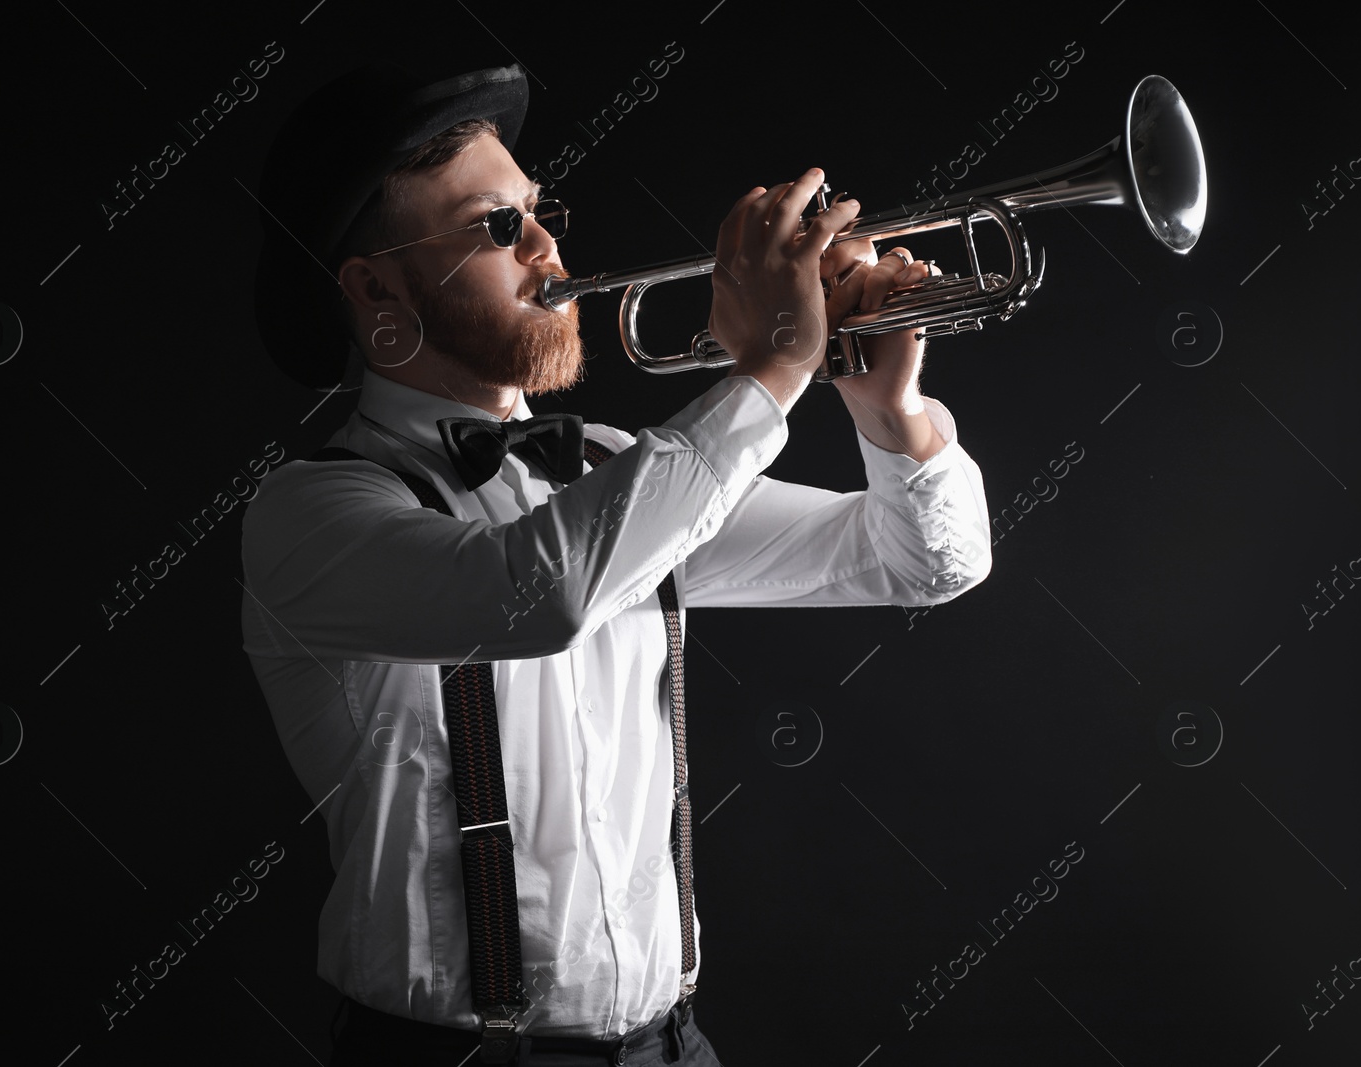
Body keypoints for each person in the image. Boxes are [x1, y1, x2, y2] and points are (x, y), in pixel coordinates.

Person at [241, 62, 992, 1066]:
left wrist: (883, 406)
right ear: (376, 288)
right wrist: (770, 370)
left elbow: (922, 562)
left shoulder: (607, 468)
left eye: (539, 211)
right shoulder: (309, 513)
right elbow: (534, 594)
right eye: (497, 227)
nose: (549, 246)